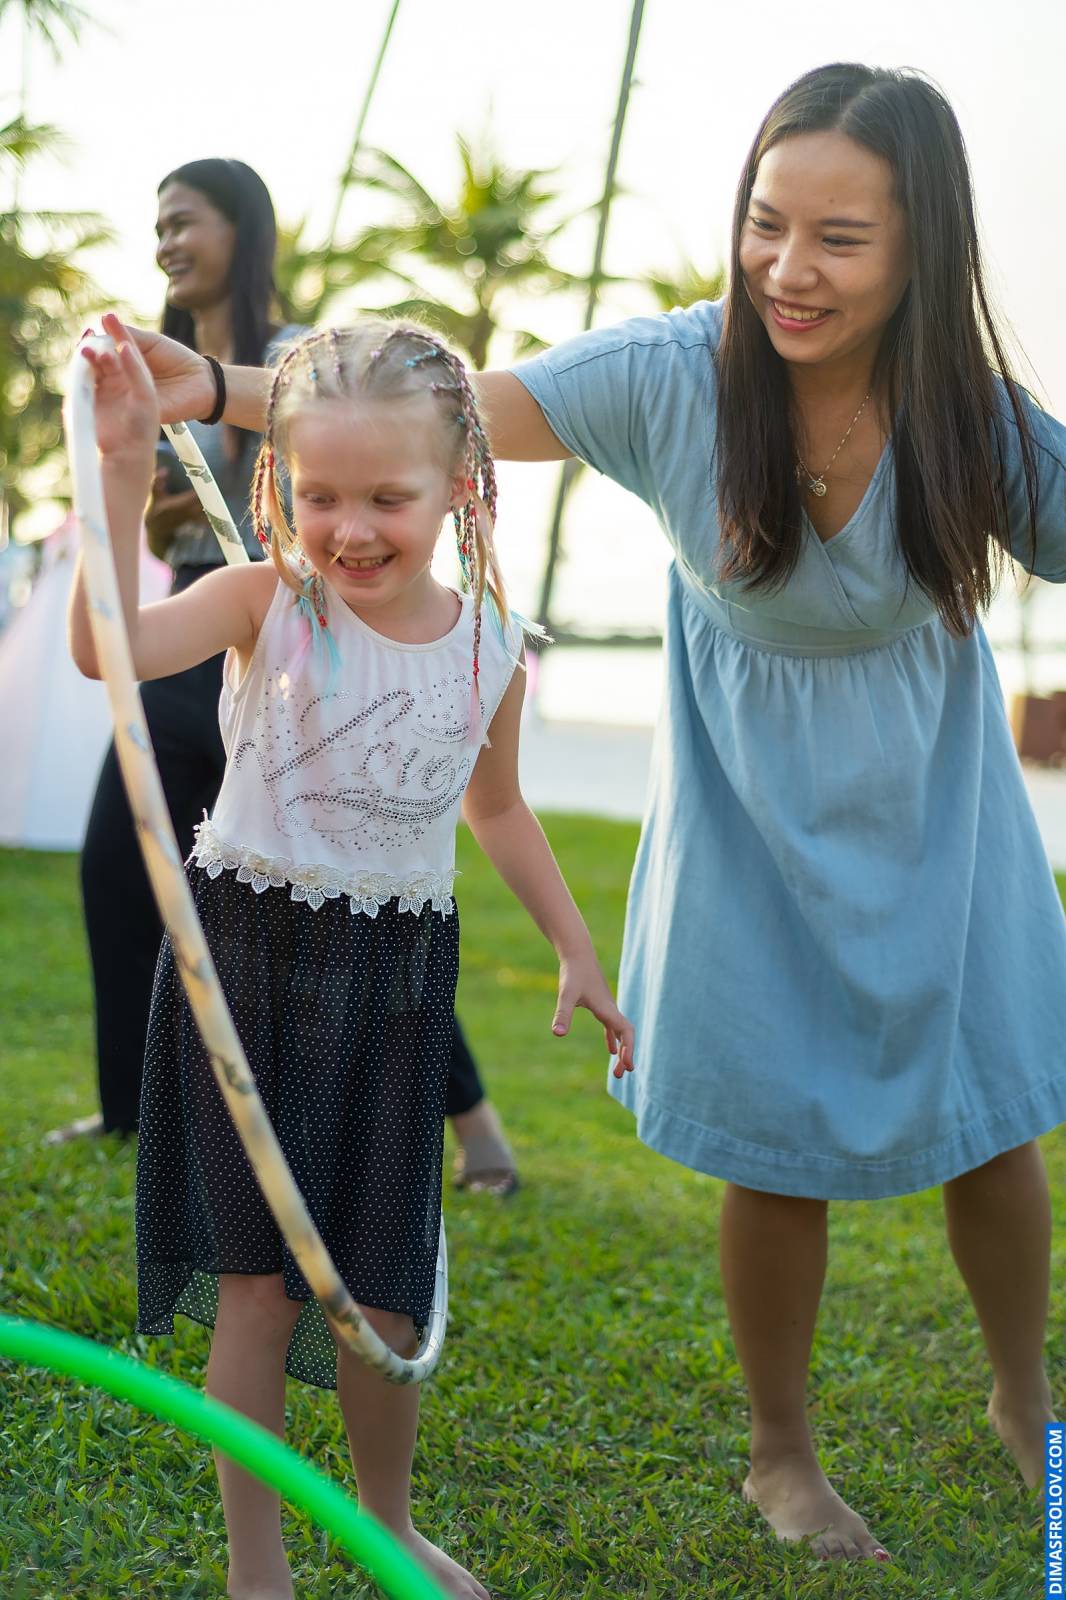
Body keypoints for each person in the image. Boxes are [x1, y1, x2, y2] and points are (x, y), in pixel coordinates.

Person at [124, 61, 1066, 1567]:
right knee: (771, 1142)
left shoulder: (970, 415)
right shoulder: (678, 372)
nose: (787, 268)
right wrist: (220, 389)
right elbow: (447, 408)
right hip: (748, 813)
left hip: (934, 796)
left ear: (922, 249)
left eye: (840, 239)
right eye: (766, 223)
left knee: (990, 1118)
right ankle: (779, 1456)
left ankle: (1025, 1396)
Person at [70, 313, 634, 1599]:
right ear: (276, 482)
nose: (352, 528)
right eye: (320, 495)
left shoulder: (491, 647)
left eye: (389, 496)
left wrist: (575, 945)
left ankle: (387, 1524)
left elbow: (497, 806)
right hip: (244, 965)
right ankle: (255, 1566)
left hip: (391, 984)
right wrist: (118, 466)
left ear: (461, 484)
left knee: (384, 1292)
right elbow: (105, 650)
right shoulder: (264, 604)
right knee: (259, 1292)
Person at [52, 158, 519, 1199]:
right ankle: (132, 1108)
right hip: (205, 616)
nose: (168, 243)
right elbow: (154, 548)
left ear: (243, 229)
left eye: (187, 221)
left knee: (345, 882)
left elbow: (345, 461)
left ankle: (473, 1121)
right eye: (158, 225)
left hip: (303, 636)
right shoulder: (162, 367)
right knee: (121, 867)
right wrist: (143, 497)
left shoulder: (293, 360)